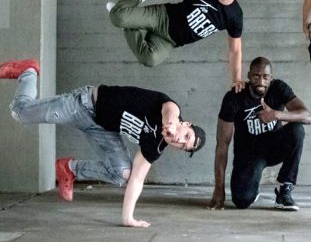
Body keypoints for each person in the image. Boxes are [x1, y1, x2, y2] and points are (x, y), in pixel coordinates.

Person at [0, 58, 206, 228]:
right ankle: (28, 70)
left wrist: (128, 218)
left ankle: (70, 169)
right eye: (186, 136)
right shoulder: (170, 108)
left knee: (123, 173)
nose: (179, 141)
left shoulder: (156, 146)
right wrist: (169, 124)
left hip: (102, 129)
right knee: (20, 112)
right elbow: (170, 111)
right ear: (185, 124)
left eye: (182, 146)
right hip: (83, 105)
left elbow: (137, 180)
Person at [106, 0, 247, 92]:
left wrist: (236, 79)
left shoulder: (235, 15)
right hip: (162, 17)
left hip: (170, 41)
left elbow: (235, 50)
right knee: (117, 18)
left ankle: (127, 18)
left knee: (150, 59)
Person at [209, 57, 311, 211]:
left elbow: (306, 116)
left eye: (265, 77)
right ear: (249, 76)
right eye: (256, 76)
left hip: (274, 147)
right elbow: (222, 145)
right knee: (242, 201)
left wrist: (277, 114)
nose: (261, 82)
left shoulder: (279, 88)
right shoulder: (234, 97)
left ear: (271, 78)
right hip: (248, 154)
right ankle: (252, 186)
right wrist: (218, 188)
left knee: (297, 130)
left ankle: (284, 190)